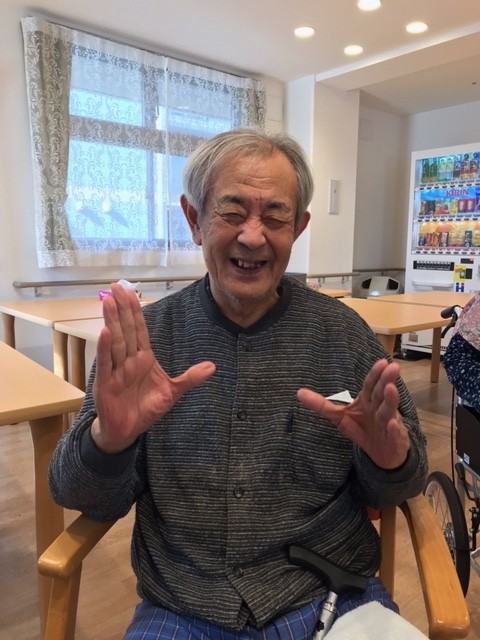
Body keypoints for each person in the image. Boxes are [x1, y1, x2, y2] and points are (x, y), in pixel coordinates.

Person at [49, 129, 427, 639]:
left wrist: (390, 460)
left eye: (275, 216)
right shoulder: (144, 343)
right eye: (232, 212)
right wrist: (107, 442)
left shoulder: (344, 334)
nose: (253, 236)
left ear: (299, 228)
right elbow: (75, 493)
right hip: (183, 607)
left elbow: (403, 484)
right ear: (194, 220)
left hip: (332, 595)